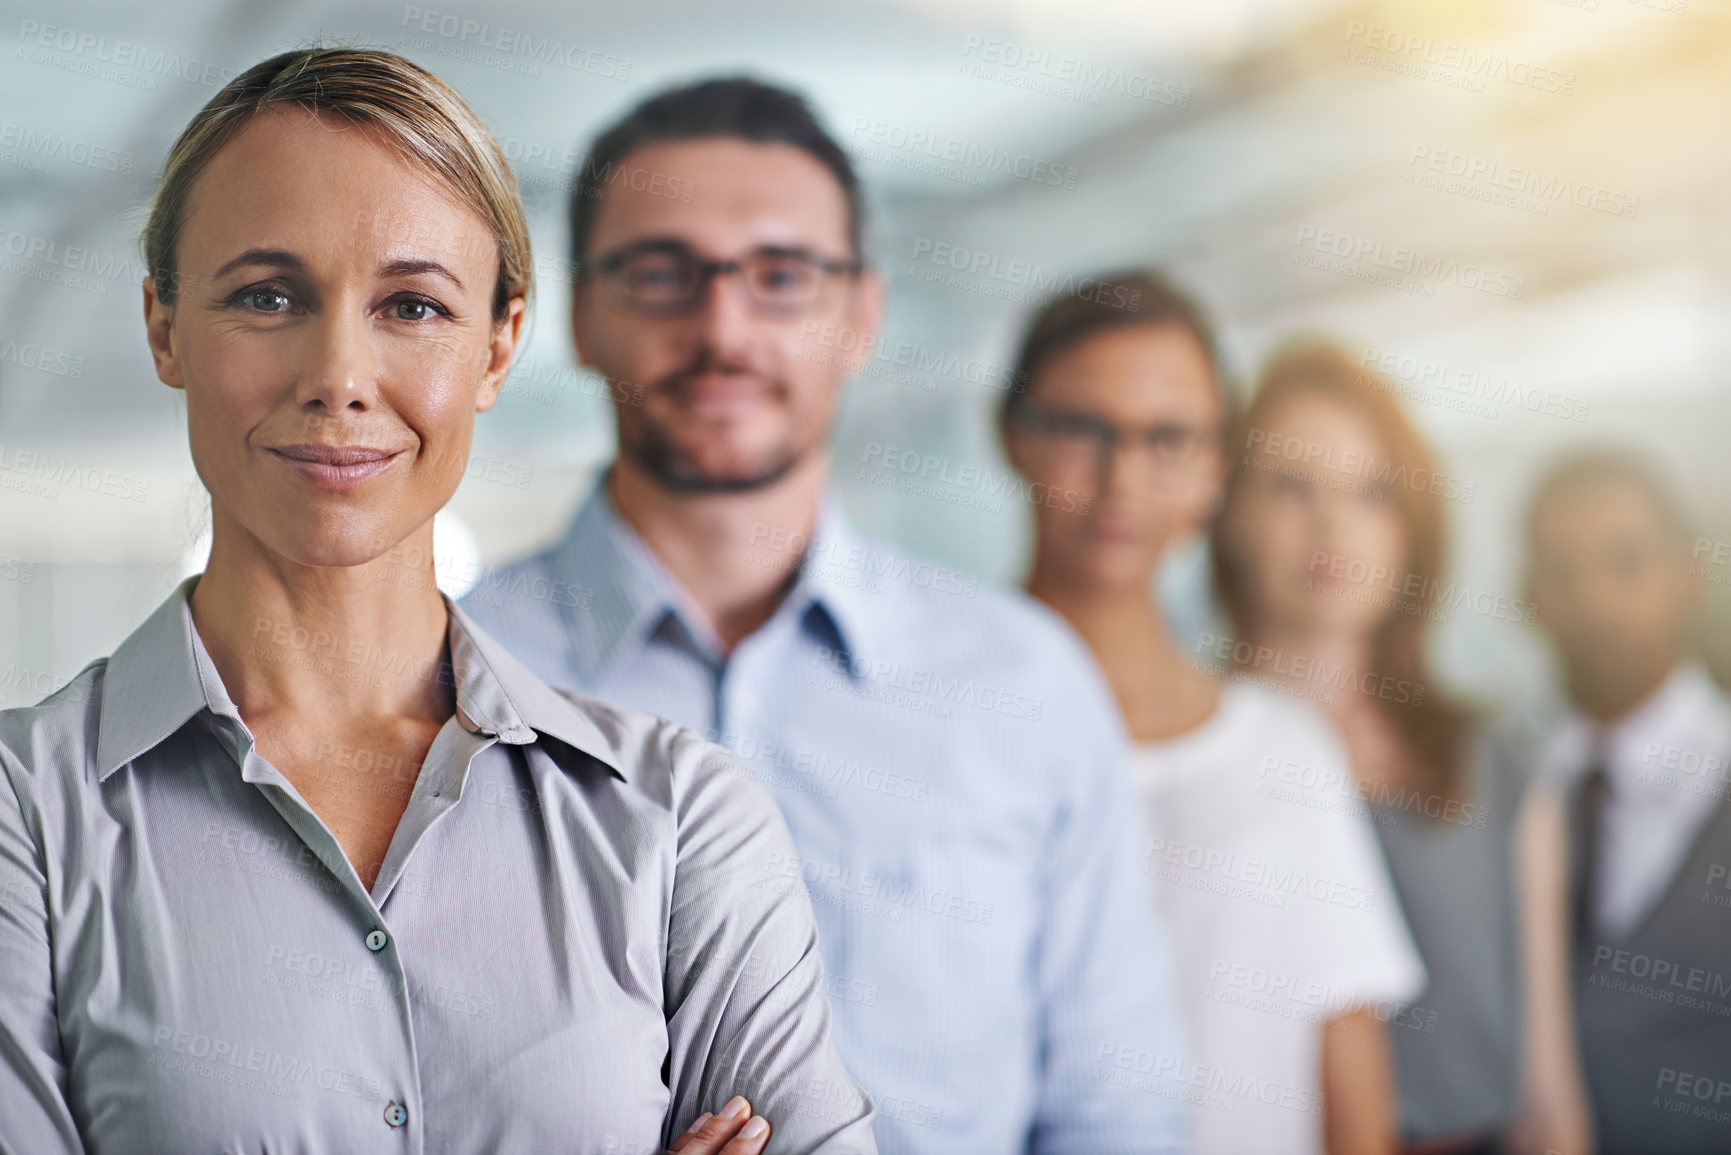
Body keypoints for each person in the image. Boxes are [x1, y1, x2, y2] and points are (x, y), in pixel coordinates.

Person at [0, 48, 877, 1155]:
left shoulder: (681, 823)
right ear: (165, 325)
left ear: (500, 345)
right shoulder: (26, 818)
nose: (340, 375)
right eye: (267, 296)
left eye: (412, 305)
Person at [460, 78, 1190, 1155]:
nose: (723, 327)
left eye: (782, 277)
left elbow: (1116, 1113)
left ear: (861, 317)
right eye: (663, 274)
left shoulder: (1025, 685)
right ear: (579, 314)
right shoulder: (445, 681)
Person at [1000, 270, 1426, 1155]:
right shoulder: (934, 726)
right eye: (1084, 428)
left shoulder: (1283, 750)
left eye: (1168, 439)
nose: (1122, 478)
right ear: (1012, 435)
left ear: (1212, 470)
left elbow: (1353, 1101)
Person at [1210, 342, 1593, 1155]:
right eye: (1290, 487)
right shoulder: (1180, 754)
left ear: (1411, 525)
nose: (1330, 524)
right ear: (1228, 509)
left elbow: (1547, 1098)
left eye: (1369, 492)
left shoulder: (1496, 763)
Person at [1523, 451, 1731, 1154]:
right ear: (1527, 595)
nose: (1593, 599)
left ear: (1688, 575)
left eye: (1625, 561)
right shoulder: (1500, 782)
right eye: (1559, 569)